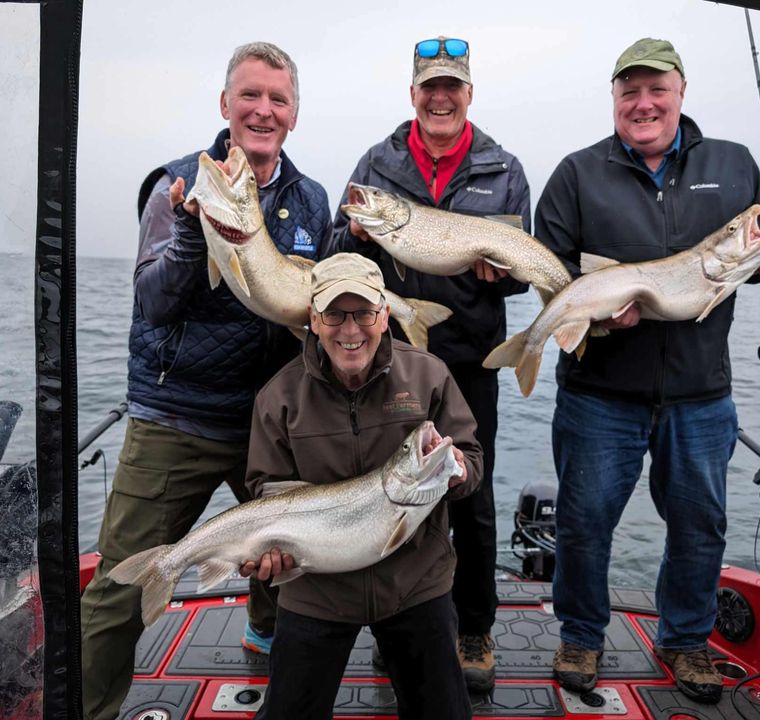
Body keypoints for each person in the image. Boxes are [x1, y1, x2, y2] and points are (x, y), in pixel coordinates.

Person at [79, 42, 333, 720]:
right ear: (225, 105)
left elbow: (312, 317)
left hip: (269, 426)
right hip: (178, 418)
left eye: (278, 99)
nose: (263, 110)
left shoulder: (311, 200)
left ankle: (262, 636)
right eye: (250, 95)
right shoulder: (178, 184)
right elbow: (152, 302)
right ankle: (90, 708)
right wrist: (195, 237)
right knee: (117, 589)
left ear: (294, 115)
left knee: (295, 562)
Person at [534, 38, 760, 704]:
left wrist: (759, 259)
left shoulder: (731, 164)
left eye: (656, 91)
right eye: (629, 92)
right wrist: (594, 315)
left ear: (680, 92)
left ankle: (686, 642)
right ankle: (581, 635)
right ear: (615, 99)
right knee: (583, 522)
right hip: (599, 394)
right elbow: (551, 273)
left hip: (700, 394)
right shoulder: (576, 173)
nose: (643, 104)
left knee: (700, 525)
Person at [331, 35, 530, 692]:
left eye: (453, 87)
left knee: (468, 492)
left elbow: (521, 277)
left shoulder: (504, 169)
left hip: (472, 361)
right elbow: (337, 254)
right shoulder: (376, 166)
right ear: (412, 94)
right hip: (390, 360)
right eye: (429, 87)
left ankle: (473, 627)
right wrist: (354, 233)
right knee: (395, 490)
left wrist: (501, 274)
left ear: (469, 93)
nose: (440, 98)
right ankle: (399, 625)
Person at [241, 252, 483, 720]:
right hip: (316, 590)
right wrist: (271, 556)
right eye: (334, 314)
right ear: (313, 319)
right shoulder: (278, 397)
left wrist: (457, 470)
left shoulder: (429, 375)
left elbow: (471, 460)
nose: (350, 331)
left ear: (384, 314)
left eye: (364, 314)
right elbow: (266, 492)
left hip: (415, 583)